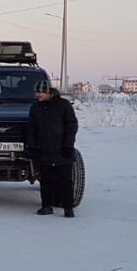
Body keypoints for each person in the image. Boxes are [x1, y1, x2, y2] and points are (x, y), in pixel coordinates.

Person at [26, 80, 80, 218]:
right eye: (37, 92)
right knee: (46, 181)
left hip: (62, 151)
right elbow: (31, 129)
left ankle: (68, 208)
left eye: (41, 93)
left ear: (48, 92)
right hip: (44, 151)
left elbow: (71, 126)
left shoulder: (64, 105)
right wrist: (32, 147)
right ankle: (46, 206)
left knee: (66, 181)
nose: (38, 95)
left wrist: (68, 145)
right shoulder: (35, 108)